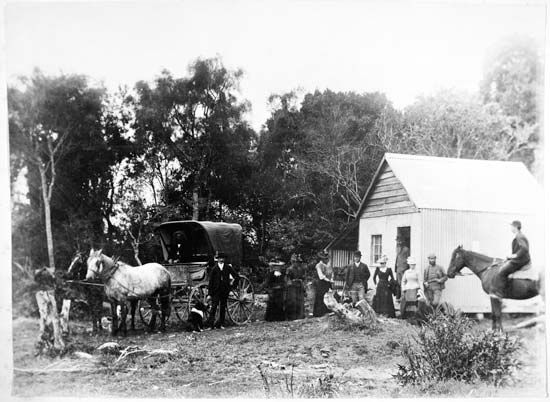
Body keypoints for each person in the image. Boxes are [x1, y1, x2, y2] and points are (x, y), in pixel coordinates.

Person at [492, 220, 531, 298]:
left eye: (512, 226)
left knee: (502, 272)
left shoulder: (519, 236)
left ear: (516, 227)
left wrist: (514, 256)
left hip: (520, 261)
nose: (511, 228)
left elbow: (524, 249)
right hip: (519, 260)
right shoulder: (519, 235)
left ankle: (502, 292)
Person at [206, 251, 239, 330]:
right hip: (216, 291)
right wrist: (209, 294)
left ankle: (220, 324)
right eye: (220, 258)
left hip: (224, 290)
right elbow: (211, 282)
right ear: (217, 259)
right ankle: (211, 325)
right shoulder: (214, 268)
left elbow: (236, 277)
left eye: (222, 258)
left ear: (224, 259)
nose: (221, 260)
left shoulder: (228, 267)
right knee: (214, 307)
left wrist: (232, 286)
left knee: (223, 307)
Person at [285, 254, 306, 320]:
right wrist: (290, 283)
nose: (297, 264)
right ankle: (291, 317)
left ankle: (300, 316)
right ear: (292, 262)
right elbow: (287, 279)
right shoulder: (289, 269)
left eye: (299, 263)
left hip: (299, 286)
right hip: (292, 287)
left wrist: (302, 282)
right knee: (293, 301)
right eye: (296, 262)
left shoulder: (300, 269)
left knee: (300, 301)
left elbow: (303, 278)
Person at [313, 251, 333, 317]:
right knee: (320, 297)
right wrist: (328, 280)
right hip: (320, 283)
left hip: (327, 283)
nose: (327, 260)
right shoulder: (318, 265)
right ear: (322, 259)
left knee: (327, 297)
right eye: (325, 259)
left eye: (327, 258)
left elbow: (331, 273)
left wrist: (331, 279)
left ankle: (326, 312)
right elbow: (321, 276)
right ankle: (318, 313)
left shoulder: (328, 265)